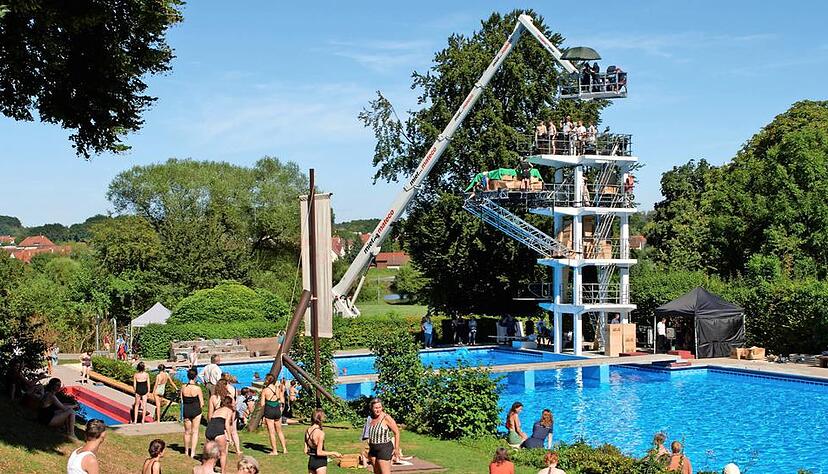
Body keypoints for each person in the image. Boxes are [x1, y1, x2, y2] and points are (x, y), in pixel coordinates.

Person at [366, 398, 401, 474]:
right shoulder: (371, 418)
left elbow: (397, 432)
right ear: (372, 408)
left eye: (379, 407)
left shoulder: (386, 418)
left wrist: (396, 449)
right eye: (375, 408)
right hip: (373, 449)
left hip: (384, 448)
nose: (378, 410)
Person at [305, 408, 342, 473]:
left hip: (311, 462)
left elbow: (305, 450)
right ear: (320, 419)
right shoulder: (320, 433)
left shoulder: (307, 431)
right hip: (320, 463)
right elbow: (319, 452)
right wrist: (334, 453)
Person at [205, 395, 234, 473]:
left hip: (209, 430)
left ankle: (208, 469)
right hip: (218, 431)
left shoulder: (217, 410)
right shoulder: (229, 410)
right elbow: (227, 425)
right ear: (230, 403)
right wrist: (230, 438)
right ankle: (223, 471)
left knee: (211, 453)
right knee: (223, 453)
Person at [261, 373, 288, 455]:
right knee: (279, 431)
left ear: (267, 380)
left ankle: (275, 451)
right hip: (277, 409)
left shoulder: (265, 390)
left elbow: (262, 404)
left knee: (272, 432)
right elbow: (280, 398)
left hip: (269, 409)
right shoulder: (277, 388)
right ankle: (284, 449)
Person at [181, 368, 204, 458]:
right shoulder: (197, 388)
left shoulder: (183, 387)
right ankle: (192, 452)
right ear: (196, 377)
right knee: (195, 432)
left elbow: (182, 400)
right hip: (196, 410)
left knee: (187, 432)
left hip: (186, 409)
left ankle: (186, 451)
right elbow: (202, 403)